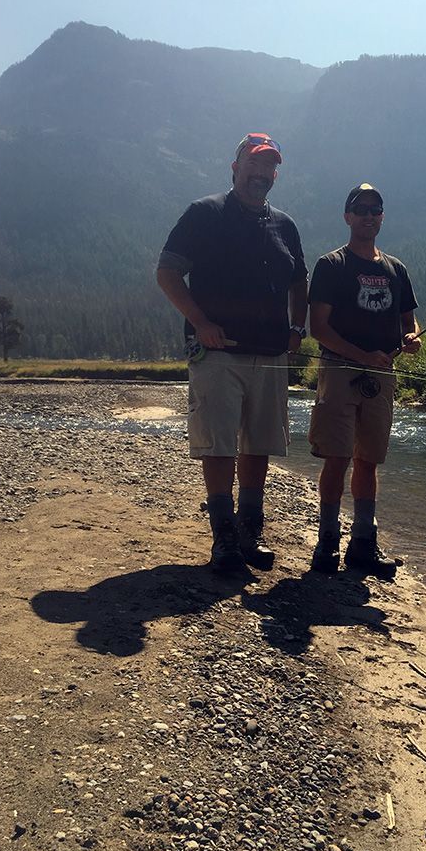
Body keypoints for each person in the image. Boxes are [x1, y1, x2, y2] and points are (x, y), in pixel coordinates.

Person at [156, 133, 308, 571]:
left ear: (275, 174)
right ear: (235, 167)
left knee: (258, 444)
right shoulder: (203, 214)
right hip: (217, 353)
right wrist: (201, 324)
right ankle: (223, 540)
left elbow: (300, 280)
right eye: (254, 165)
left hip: (271, 354)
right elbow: (167, 273)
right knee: (219, 445)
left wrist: (297, 327)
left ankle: (248, 533)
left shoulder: (285, 224)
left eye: (269, 167)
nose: (261, 174)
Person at [307, 183, 421, 579]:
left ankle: (362, 546)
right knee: (337, 459)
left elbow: (409, 322)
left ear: (382, 217)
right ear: (348, 217)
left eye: (375, 209)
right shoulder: (331, 265)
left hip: (381, 377)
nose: (369, 215)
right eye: (361, 209)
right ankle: (326, 544)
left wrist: (412, 339)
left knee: (369, 461)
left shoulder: (396, 270)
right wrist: (362, 356)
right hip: (338, 372)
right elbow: (318, 328)